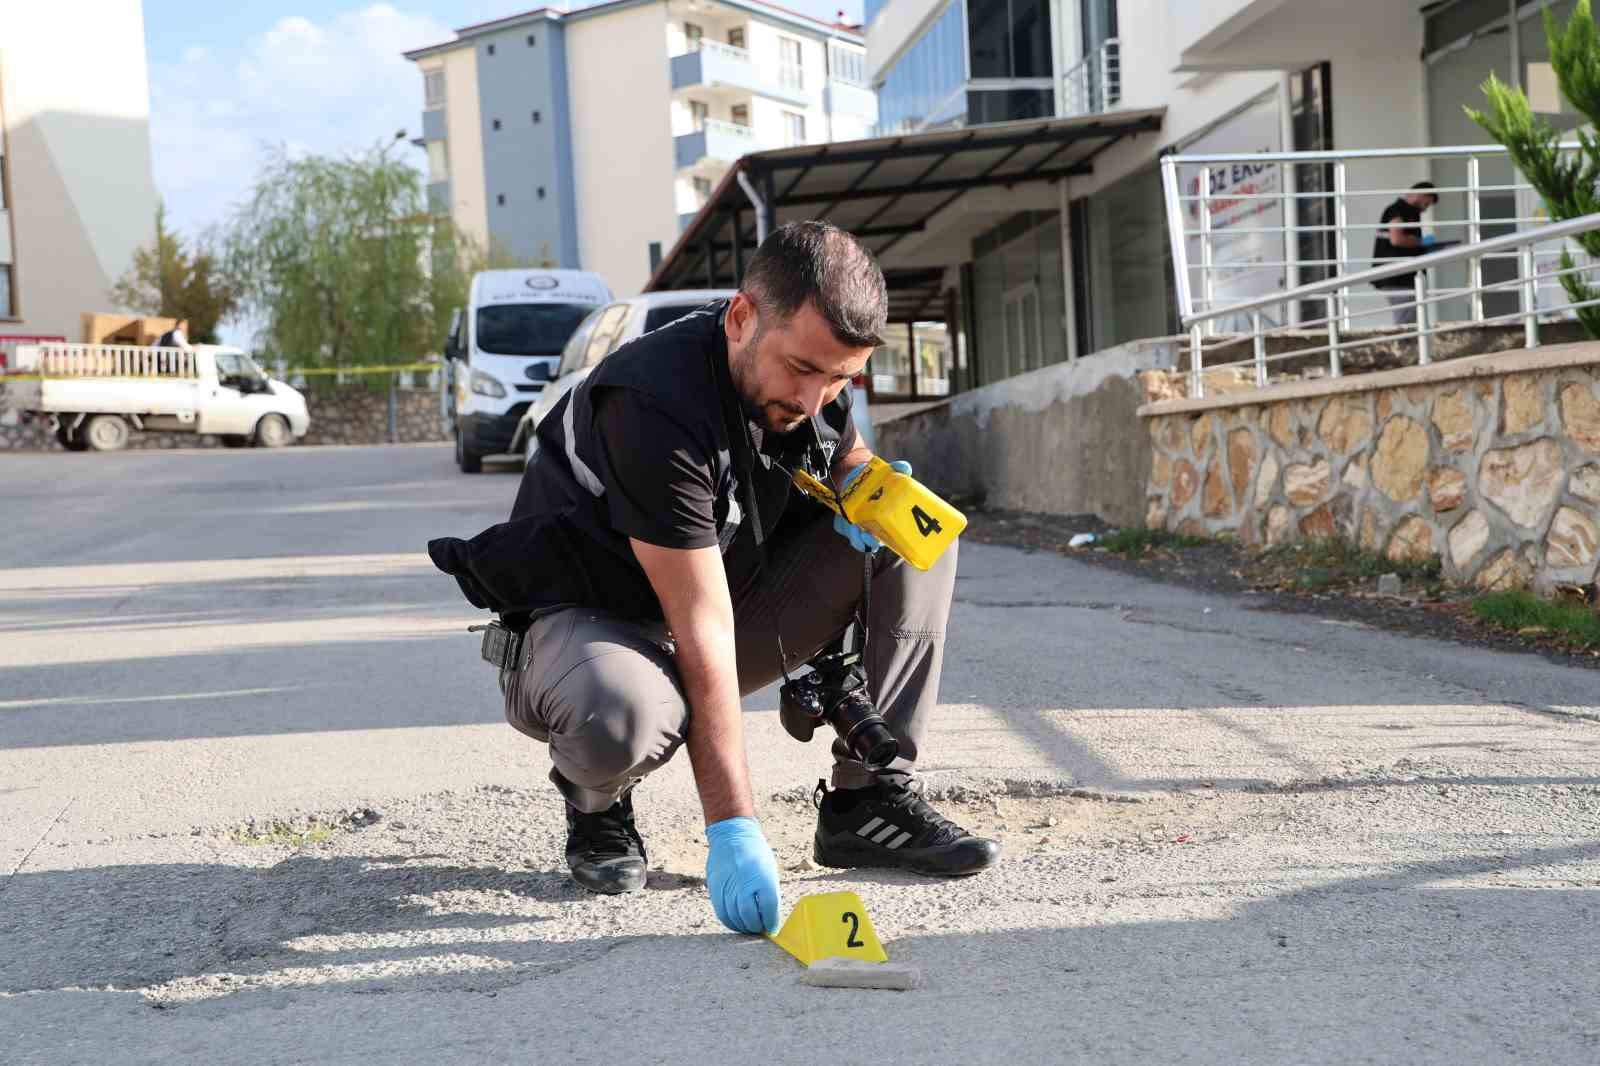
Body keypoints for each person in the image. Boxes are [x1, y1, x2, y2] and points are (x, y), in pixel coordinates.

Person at [428, 222, 998, 935]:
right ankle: (597, 803)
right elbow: (699, 621)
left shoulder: (811, 384)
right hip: (589, 627)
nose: (816, 397)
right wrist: (733, 829)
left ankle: (868, 800)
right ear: (740, 318)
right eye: (802, 369)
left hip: (713, 602)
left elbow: (841, 452)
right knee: (622, 718)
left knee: (917, 536)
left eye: (839, 379)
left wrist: (868, 491)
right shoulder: (654, 403)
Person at [1371, 182, 1443, 326]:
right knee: (1406, 321)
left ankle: (1408, 345)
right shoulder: (1397, 210)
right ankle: (1405, 346)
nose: (1425, 209)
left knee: (1409, 319)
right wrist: (1422, 243)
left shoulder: (1409, 213)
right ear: (1421, 194)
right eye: (1426, 204)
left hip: (1403, 275)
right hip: (1397, 276)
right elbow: (1397, 239)